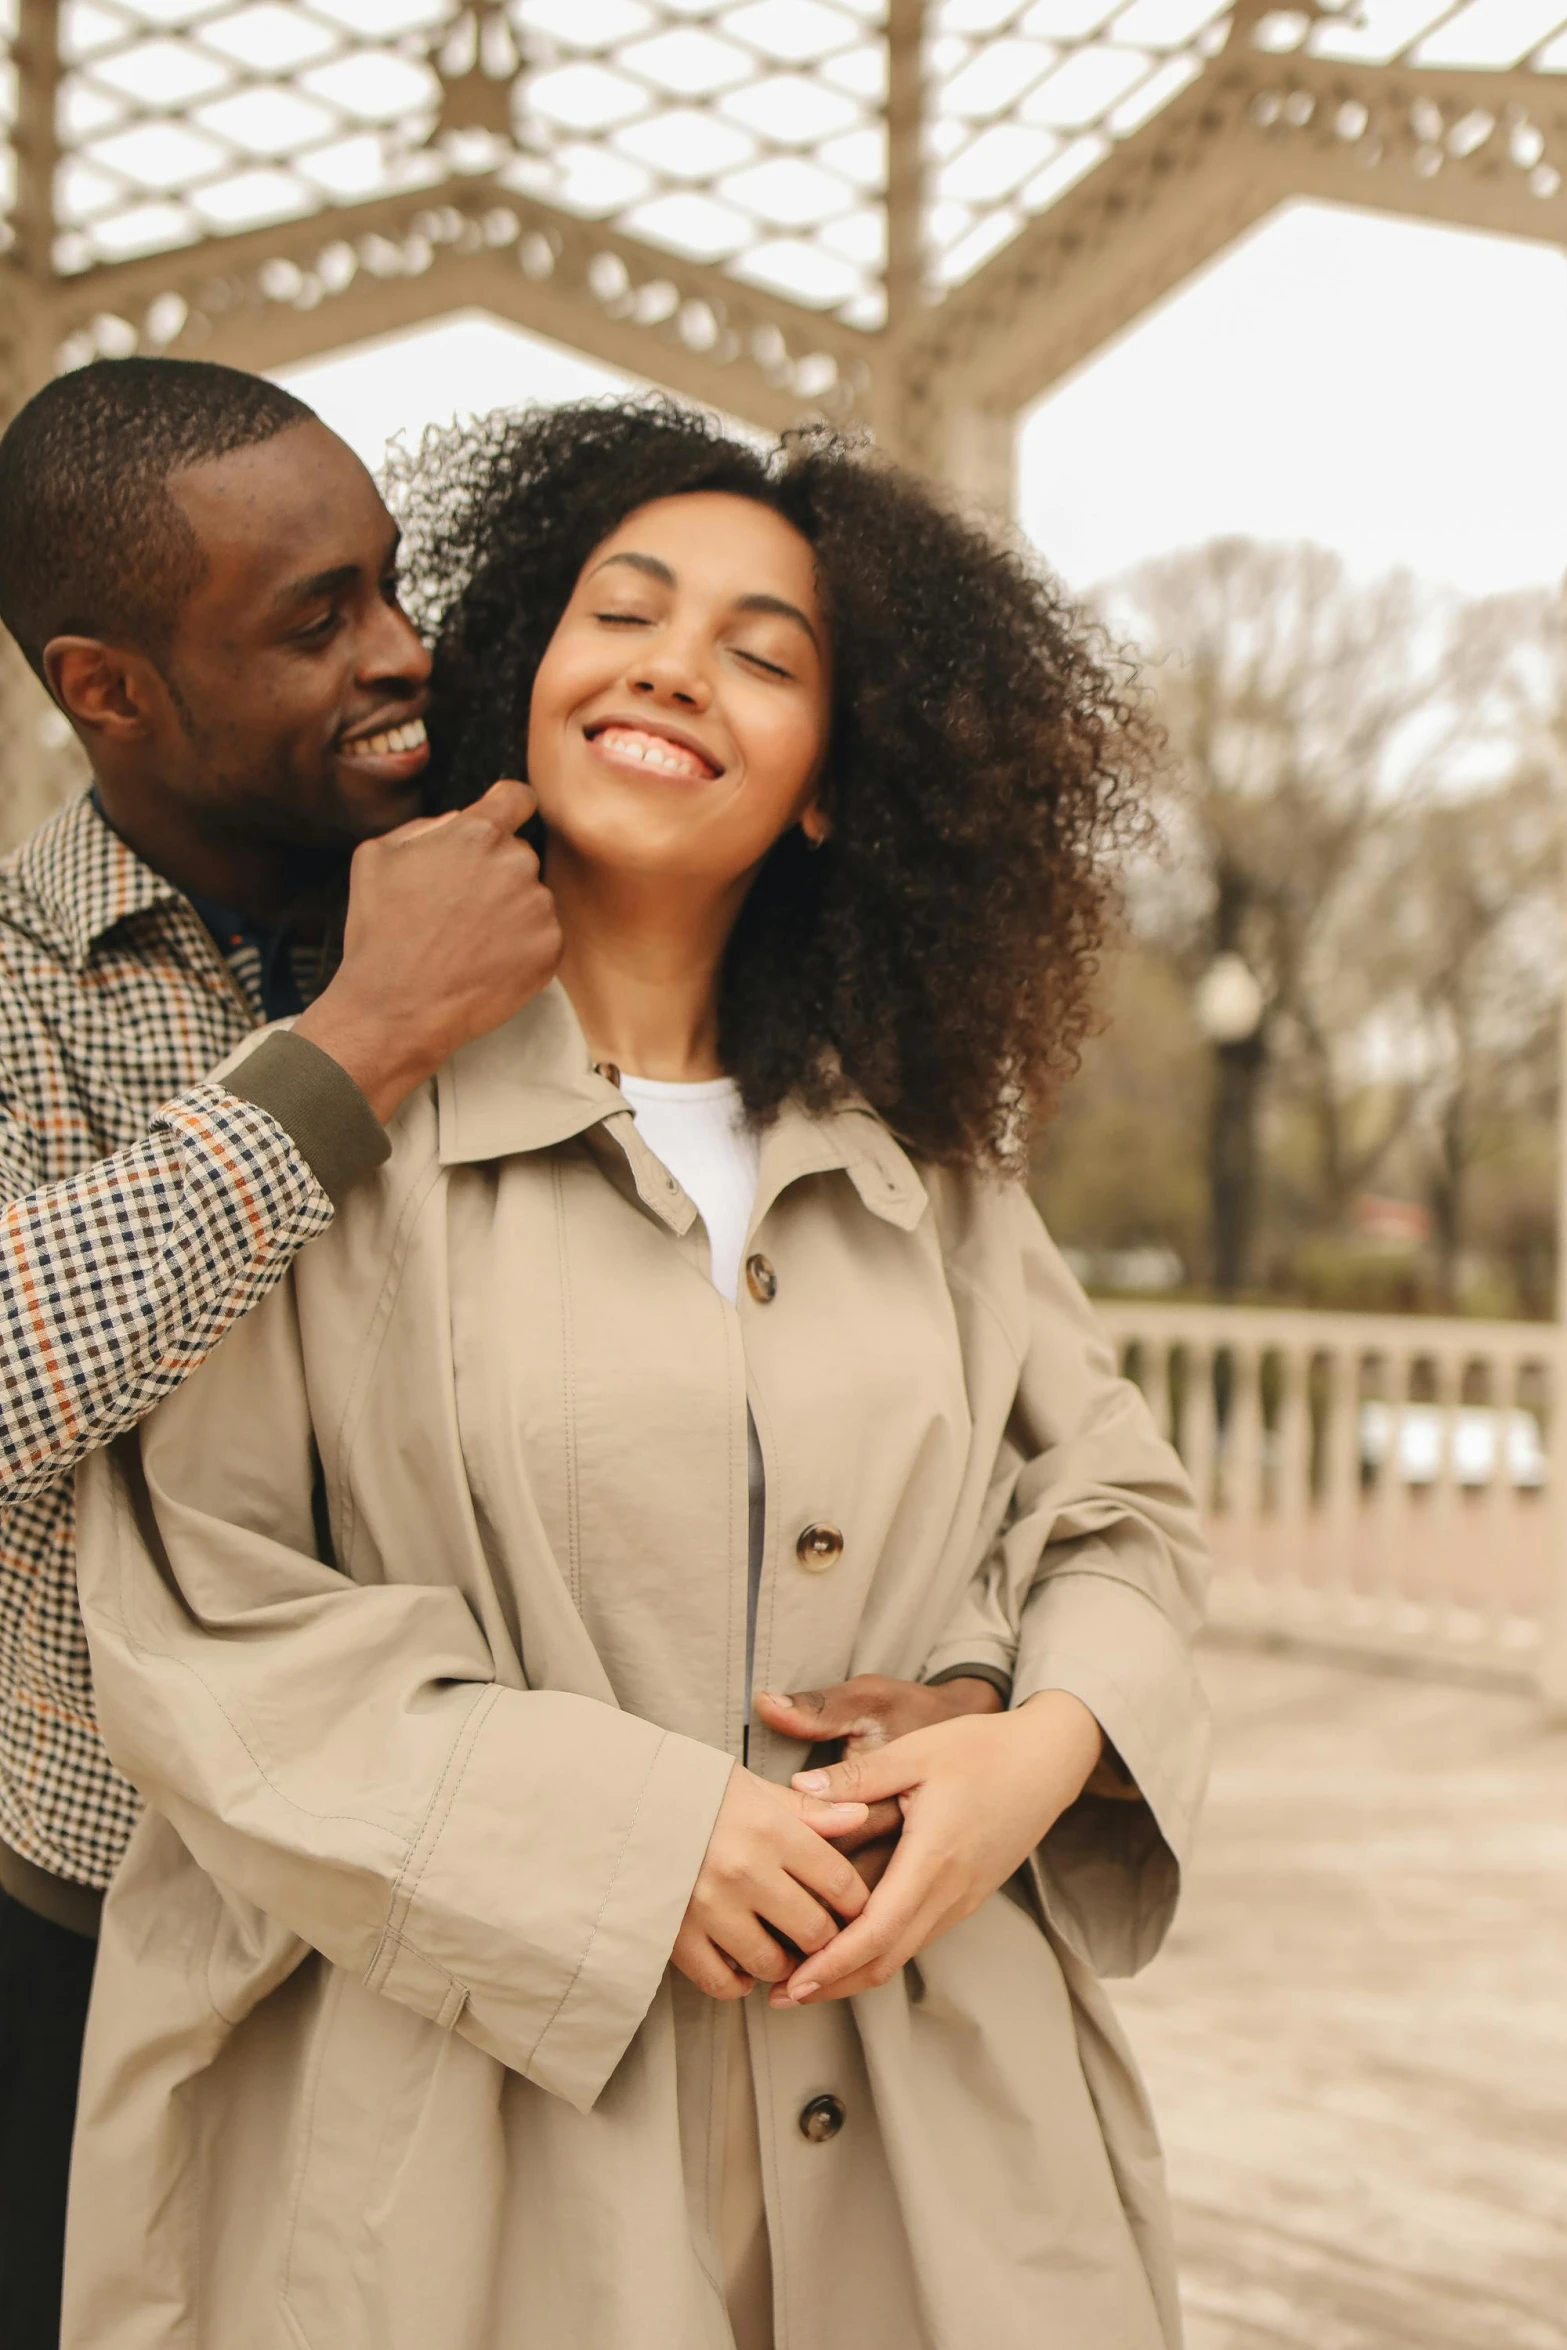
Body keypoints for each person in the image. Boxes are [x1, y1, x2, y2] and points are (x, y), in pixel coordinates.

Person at [68, 400, 1212, 2350]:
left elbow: (1119, 1507)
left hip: (948, 2139)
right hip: (462, 2145)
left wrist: (1035, 1746)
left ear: (831, 781)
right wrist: (630, 1837)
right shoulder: (332, 1113)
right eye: (631, 611)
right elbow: (200, 1607)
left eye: (767, 653)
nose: (683, 663)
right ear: (523, 679)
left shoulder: (931, 1151)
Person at [0, 356, 561, 2349]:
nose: (401, 650)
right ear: (108, 685)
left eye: (392, 585)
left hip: (511, 1891)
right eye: (315, 621)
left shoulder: (516, 883)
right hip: (104, 1941)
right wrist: (356, 1046)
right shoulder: (14, 980)